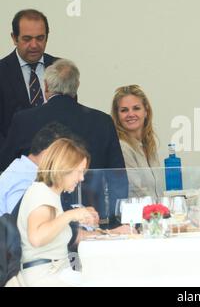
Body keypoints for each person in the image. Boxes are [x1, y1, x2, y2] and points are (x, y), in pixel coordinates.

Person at [0, 59, 128, 226]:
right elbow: (117, 176)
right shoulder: (102, 121)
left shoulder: (24, 119)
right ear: (77, 86)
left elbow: (6, 164)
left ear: (45, 86)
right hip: (93, 216)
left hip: (38, 219)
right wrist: (115, 220)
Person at [17, 138, 98, 286]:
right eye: (79, 172)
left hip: (56, 272)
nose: (81, 178)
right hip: (45, 276)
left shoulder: (50, 194)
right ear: (64, 168)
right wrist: (71, 215)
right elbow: (37, 238)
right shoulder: (41, 193)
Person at [0, 9, 57, 146]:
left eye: (40, 38)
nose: (34, 45)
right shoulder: (2, 71)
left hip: (56, 160)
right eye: (27, 39)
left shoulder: (60, 68)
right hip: (12, 161)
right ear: (14, 38)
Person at [0, 122, 74, 216]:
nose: (64, 162)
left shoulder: (23, 169)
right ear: (48, 153)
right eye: (63, 156)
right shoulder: (25, 179)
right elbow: (21, 222)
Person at [111, 85, 163, 199]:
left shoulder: (149, 145)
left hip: (155, 214)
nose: (130, 114)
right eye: (124, 110)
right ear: (117, 115)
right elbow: (136, 192)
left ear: (146, 111)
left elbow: (157, 190)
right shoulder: (122, 147)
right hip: (140, 214)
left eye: (136, 108)